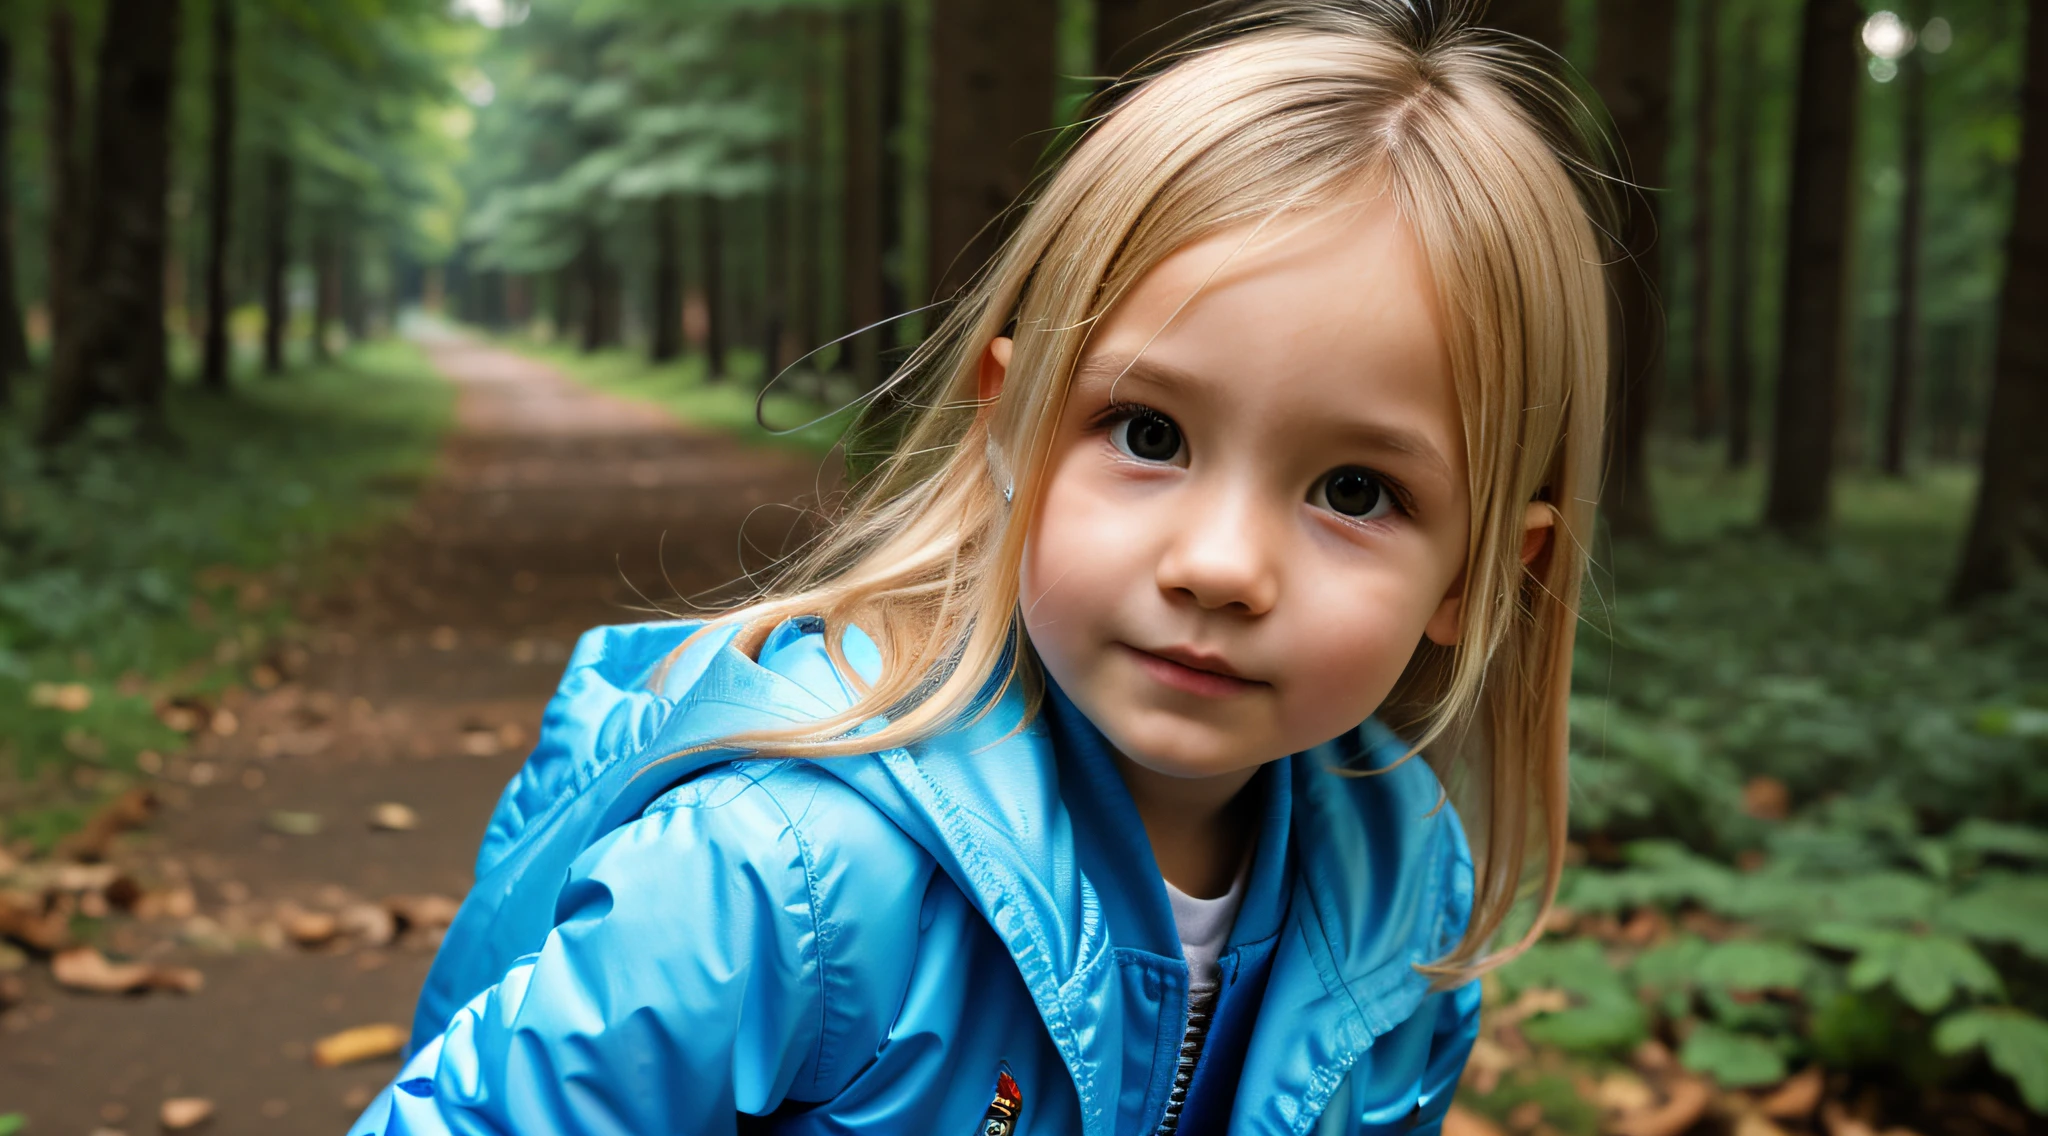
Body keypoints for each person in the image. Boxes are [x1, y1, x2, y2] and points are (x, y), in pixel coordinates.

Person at [349, 2, 1609, 1132]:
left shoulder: (1403, 903)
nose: (1221, 565)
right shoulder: (789, 872)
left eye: (1354, 492)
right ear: (1011, 426)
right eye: (1149, 434)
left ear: (1481, 574)